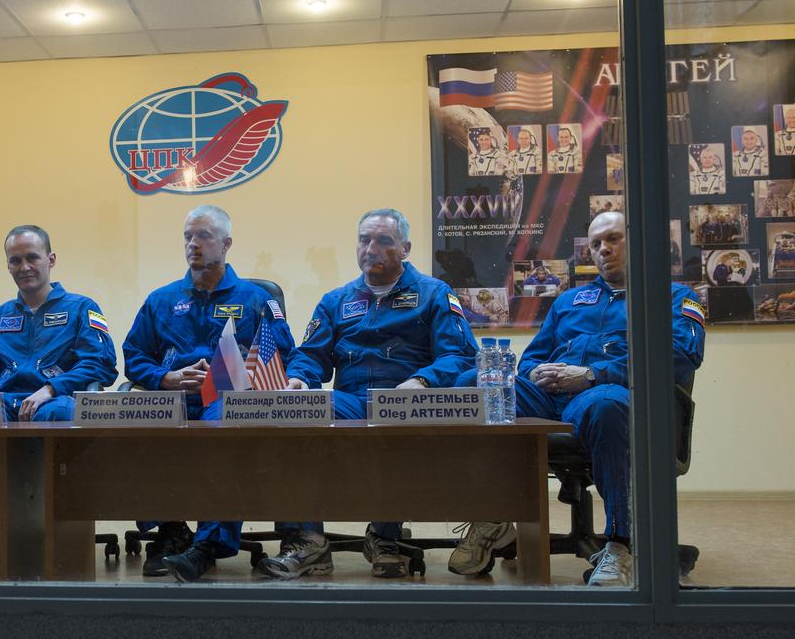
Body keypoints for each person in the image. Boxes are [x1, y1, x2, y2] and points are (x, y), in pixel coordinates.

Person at [449, 212, 705, 585]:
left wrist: (590, 375)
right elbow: (535, 356)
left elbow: (681, 356)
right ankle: (494, 514)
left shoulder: (672, 296)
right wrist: (536, 372)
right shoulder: (570, 300)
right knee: (474, 381)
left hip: (609, 398)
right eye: (597, 243)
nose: (604, 249)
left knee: (605, 402)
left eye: (613, 239)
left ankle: (621, 544)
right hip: (552, 398)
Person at [276, 208, 478, 580]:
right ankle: (307, 540)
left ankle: (385, 536)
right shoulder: (336, 300)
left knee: (395, 423)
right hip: (351, 398)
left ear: (405, 248)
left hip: (407, 398)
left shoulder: (434, 293)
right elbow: (311, 354)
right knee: (297, 412)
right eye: (364, 240)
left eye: (384, 241)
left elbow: (460, 354)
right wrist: (300, 378)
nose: (371, 248)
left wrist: (423, 381)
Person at [123, 205, 296, 581]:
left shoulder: (255, 299)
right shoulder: (162, 300)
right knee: (141, 423)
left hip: (229, 399)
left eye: (203, 236)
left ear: (226, 243)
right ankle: (171, 530)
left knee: (222, 433)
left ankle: (207, 545)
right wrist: (162, 378)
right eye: (187, 236)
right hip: (175, 397)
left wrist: (250, 381)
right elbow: (133, 356)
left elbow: (283, 356)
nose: (193, 244)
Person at [0, 224, 119, 578]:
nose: (24, 267)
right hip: (6, 403)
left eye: (32, 257)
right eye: (15, 260)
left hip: (55, 401)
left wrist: (51, 388)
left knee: (58, 414)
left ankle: (47, 530)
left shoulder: (81, 308)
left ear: (51, 259)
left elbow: (102, 364)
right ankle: (6, 529)